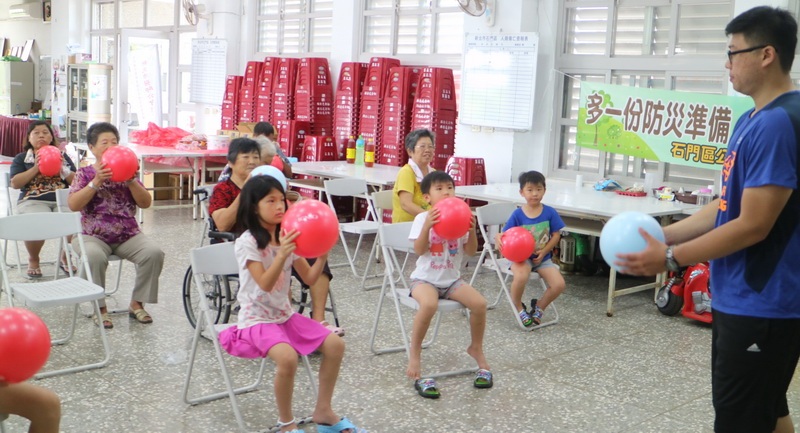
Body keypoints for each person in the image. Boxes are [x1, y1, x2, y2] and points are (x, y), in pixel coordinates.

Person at [616, 7, 800, 433]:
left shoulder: (778, 123)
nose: (727, 62)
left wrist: (671, 257)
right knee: (768, 411)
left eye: (734, 52)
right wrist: (661, 234)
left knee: (739, 420)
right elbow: (724, 208)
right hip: (742, 297)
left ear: (766, 54)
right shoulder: (750, 119)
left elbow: (754, 224)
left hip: (764, 303)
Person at [218, 175, 366, 433]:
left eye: (282, 200)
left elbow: (309, 278)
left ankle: (323, 410)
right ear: (254, 207)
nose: (280, 206)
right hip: (256, 320)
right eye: (270, 201)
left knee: (335, 345)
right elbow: (264, 283)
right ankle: (287, 423)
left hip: (284, 317)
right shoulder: (247, 243)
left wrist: (322, 255)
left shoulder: (287, 237)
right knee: (287, 359)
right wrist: (283, 253)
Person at [209, 139, 343, 336]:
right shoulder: (223, 189)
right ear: (230, 163)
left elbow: (285, 217)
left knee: (315, 259)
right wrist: (247, 192)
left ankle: (319, 319)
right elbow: (222, 223)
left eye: (256, 157)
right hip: (239, 242)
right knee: (279, 266)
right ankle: (282, 324)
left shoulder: (269, 186)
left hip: (273, 239)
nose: (252, 161)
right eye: (245, 157)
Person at [68, 122, 164, 329]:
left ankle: (137, 303)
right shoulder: (84, 174)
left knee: (154, 253)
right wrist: (96, 182)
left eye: (114, 141)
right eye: (104, 142)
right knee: (93, 256)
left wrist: (131, 181)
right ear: (92, 148)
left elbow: (146, 203)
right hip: (91, 234)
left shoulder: (128, 171)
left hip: (127, 234)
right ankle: (99, 307)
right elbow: (73, 205)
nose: (110, 146)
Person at [406, 171, 491, 399]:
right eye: (439, 189)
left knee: (480, 304)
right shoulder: (422, 219)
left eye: (450, 188)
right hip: (424, 280)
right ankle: (415, 353)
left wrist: (471, 230)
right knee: (429, 305)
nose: (446, 192)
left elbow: (471, 252)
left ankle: (476, 348)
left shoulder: (460, 216)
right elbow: (419, 250)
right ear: (427, 197)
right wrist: (427, 227)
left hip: (452, 280)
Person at [495, 171, 566, 327]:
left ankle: (539, 306)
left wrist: (545, 251)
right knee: (521, 277)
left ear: (544, 190)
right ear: (522, 192)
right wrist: (498, 237)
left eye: (539, 189)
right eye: (530, 190)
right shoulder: (518, 214)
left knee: (559, 284)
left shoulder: (549, 212)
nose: (535, 194)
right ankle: (519, 307)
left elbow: (556, 235)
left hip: (543, 258)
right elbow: (505, 234)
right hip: (522, 258)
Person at [9, 121, 77, 278]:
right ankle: (34, 259)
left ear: (52, 137)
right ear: (29, 138)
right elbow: (15, 183)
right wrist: (36, 168)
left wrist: (62, 168)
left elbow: (77, 182)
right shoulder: (21, 158)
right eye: (36, 133)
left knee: (73, 219)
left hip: (62, 198)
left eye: (46, 132)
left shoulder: (62, 156)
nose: (41, 135)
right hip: (33, 199)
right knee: (36, 221)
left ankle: (65, 256)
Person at [392, 129, 435, 223]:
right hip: (405, 227)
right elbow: (405, 204)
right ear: (410, 151)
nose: (427, 150)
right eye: (422, 147)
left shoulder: (434, 174)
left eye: (430, 146)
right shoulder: (406, 172)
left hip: (426, 226)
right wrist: (429, 218)